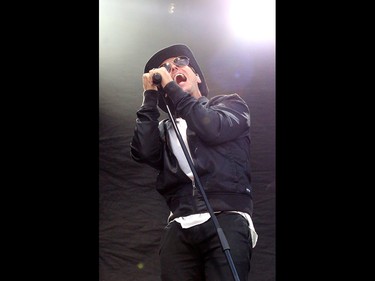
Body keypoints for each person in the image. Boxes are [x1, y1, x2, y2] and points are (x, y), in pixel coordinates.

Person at [130, 44, 257, 281]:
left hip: (226, 217)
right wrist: (150, 98)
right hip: (179, 224)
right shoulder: (165, 130)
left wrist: (170, 85)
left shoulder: (230, 106)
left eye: (181, 61)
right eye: (166, 68)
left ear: (197, 75)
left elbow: (211, 127)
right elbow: (143, 152)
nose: (174, 67)